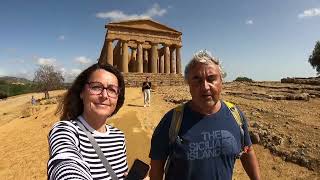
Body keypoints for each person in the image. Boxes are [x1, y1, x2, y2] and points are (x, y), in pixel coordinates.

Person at [149, 50, 261, 180]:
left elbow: (247, 151)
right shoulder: (171, 120)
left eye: (211, 78)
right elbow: (157, 166)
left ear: (221, 82)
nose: (205, 87)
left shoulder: (235, 115)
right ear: (188, 84)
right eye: (197, 79)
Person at [47, 63, 128, 180]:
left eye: (112, 90)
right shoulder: (64, 131)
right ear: (82, 92)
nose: (104, 95)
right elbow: (65, 165)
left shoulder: (119, 137)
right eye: (96, 87)